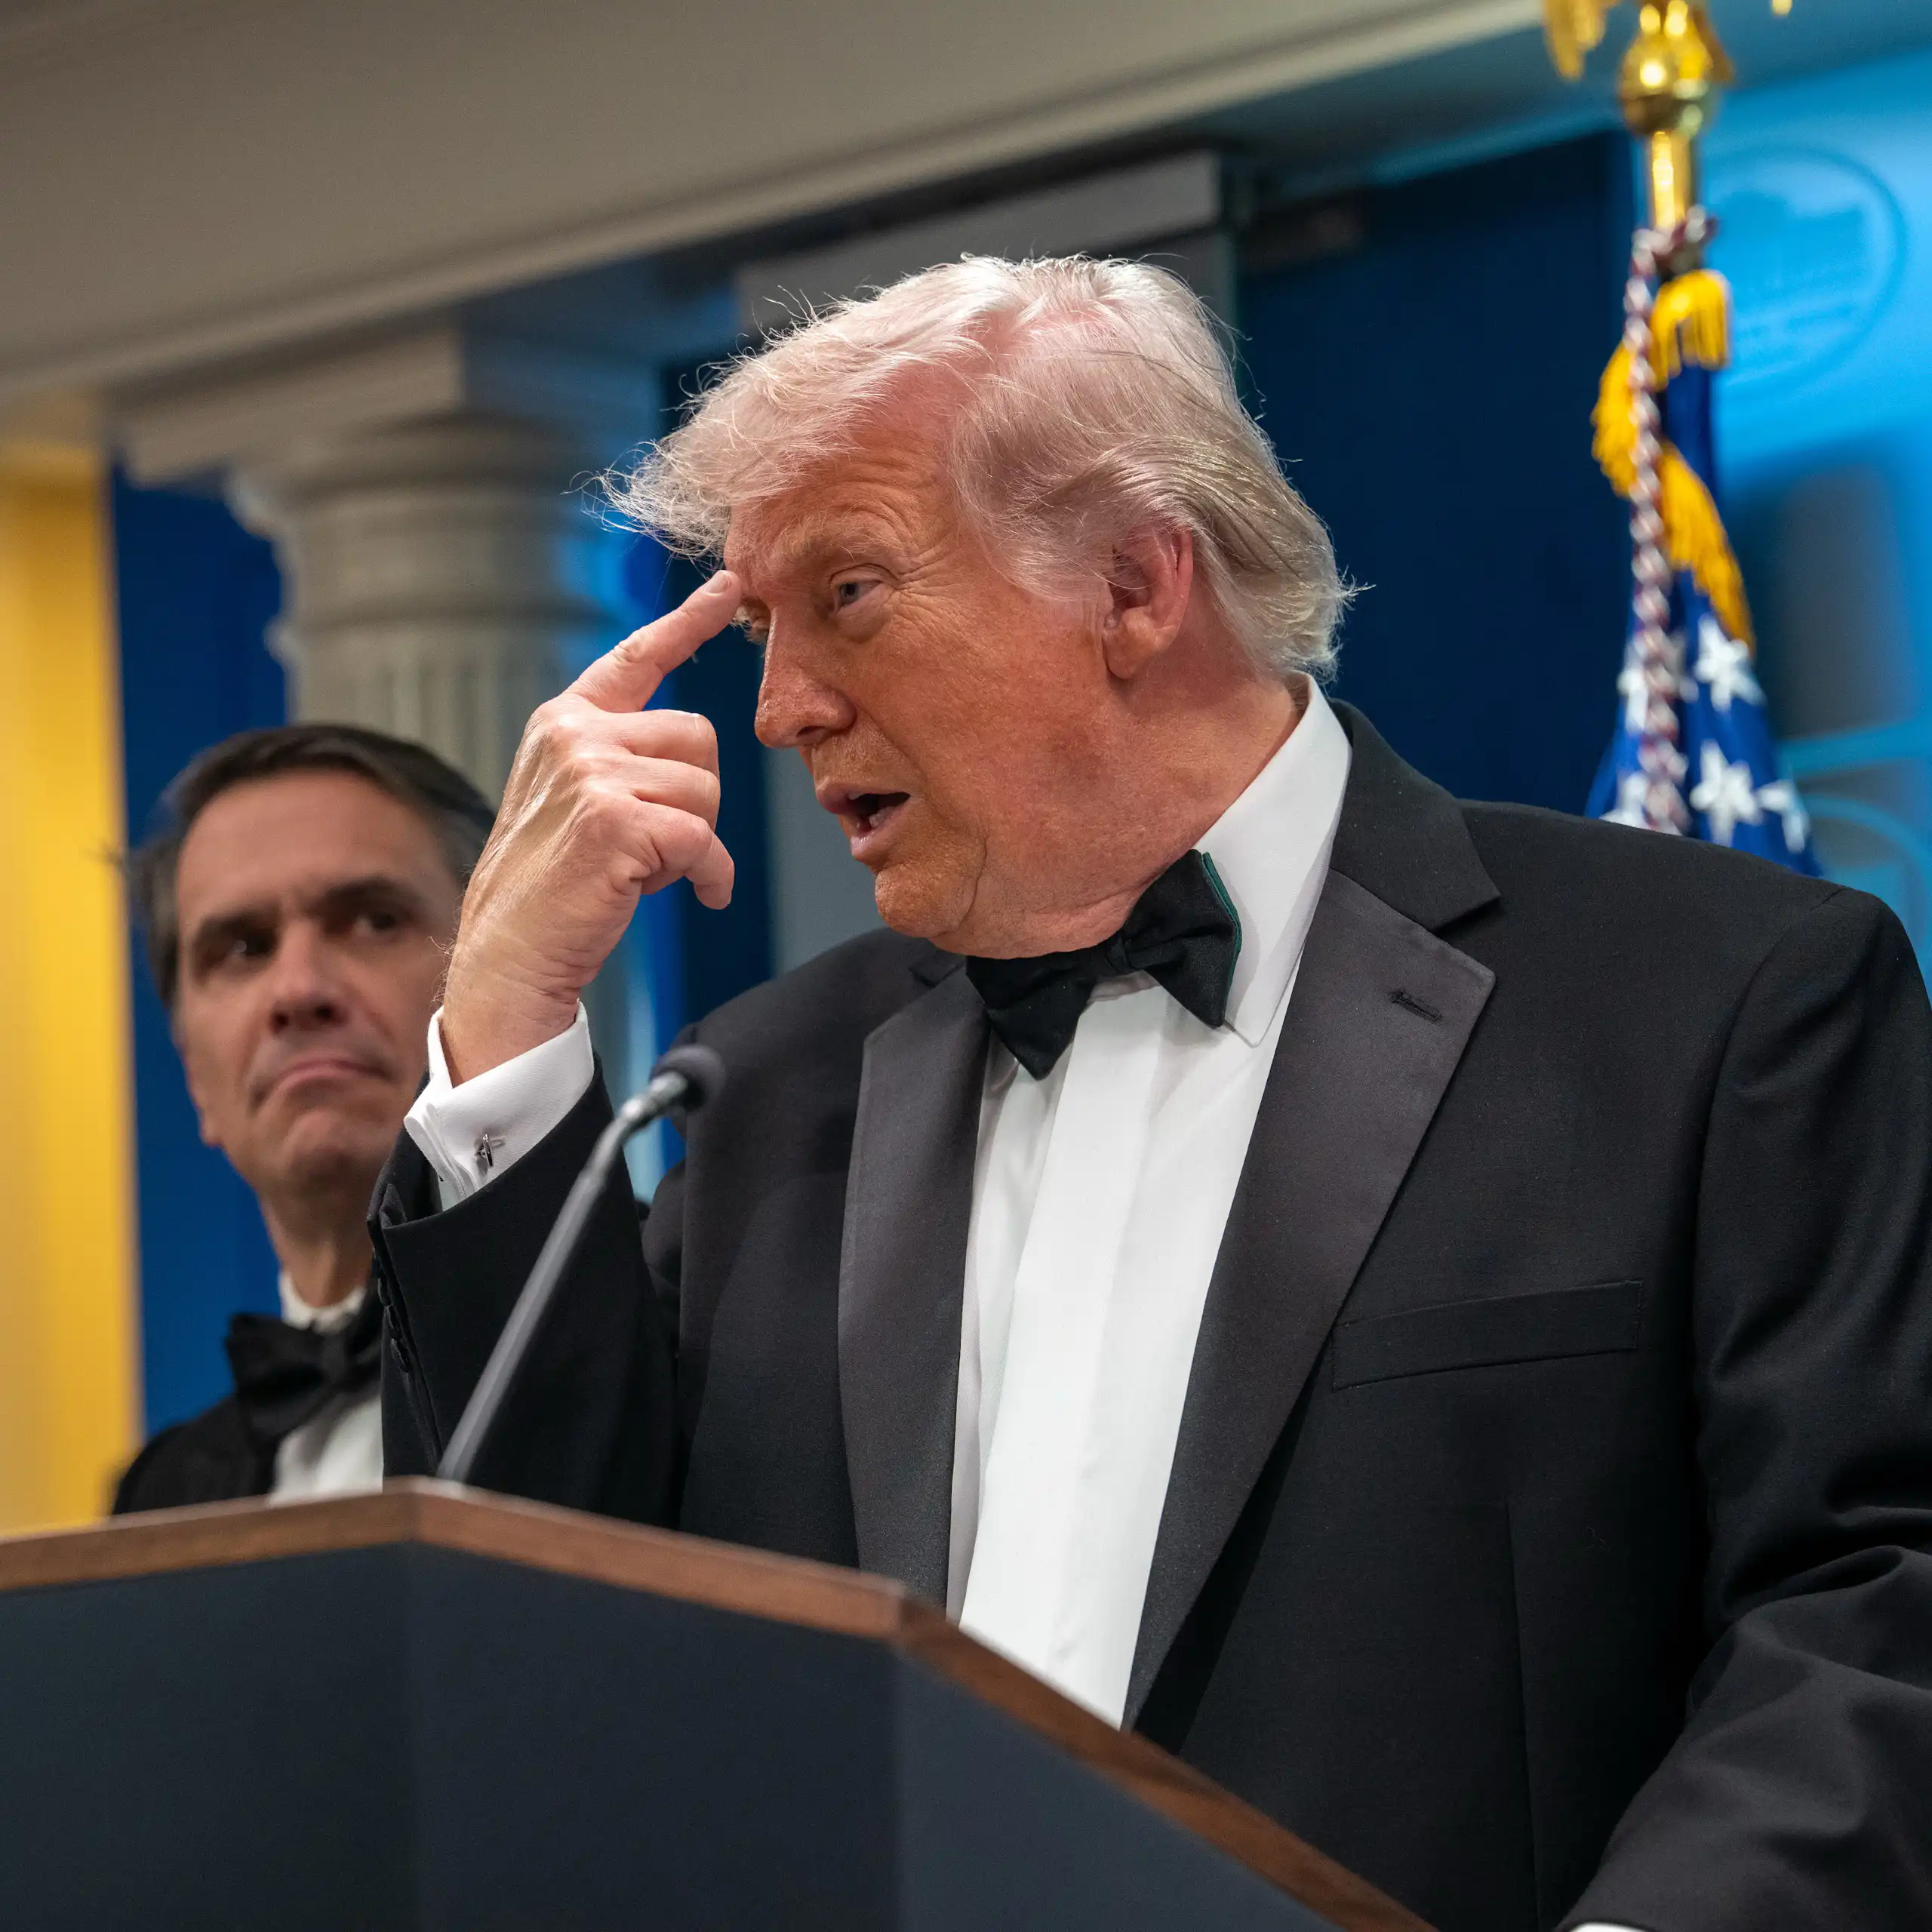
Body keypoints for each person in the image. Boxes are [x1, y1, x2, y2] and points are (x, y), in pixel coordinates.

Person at [371, 259, 1932, 1932]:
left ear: (1133, 581)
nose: (777, 708)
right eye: (758, 627)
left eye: (847, 595)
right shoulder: (760, 1087)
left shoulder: (1712, 993)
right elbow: (540, 1655)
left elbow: (1867, 1596)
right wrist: (508, 1013)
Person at [115, 725, 493, 1512]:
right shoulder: (156, 1500)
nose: (298, 989)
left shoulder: (674, 1336)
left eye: (372, 919)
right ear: (194, 1077)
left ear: (507, 969)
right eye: (244, 947)